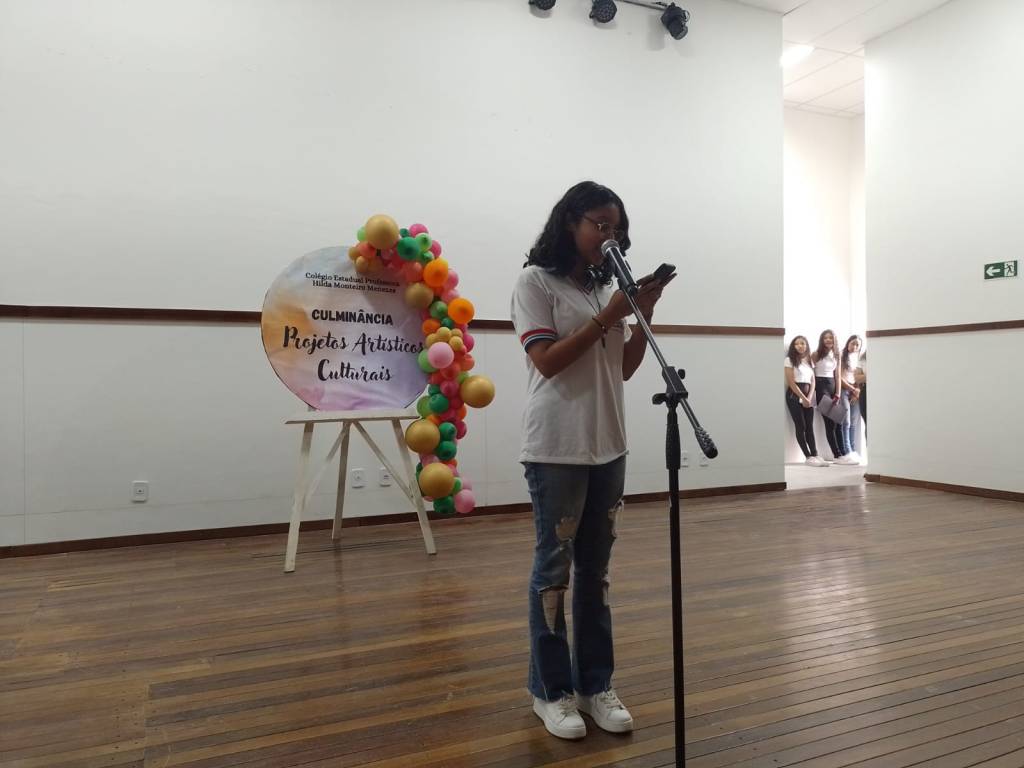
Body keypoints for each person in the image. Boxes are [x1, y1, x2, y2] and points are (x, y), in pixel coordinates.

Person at [510, 181, 670, 740]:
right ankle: (550, 691)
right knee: (553, 572)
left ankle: (595, 684)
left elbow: (621, 369)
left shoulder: (607, 288)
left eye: (616, 228)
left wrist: (640, 313)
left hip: (608, 444)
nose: (610, 236)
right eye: (600, 225)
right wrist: (607, 318)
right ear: (570, 223)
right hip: (556, 446)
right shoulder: (536, 282)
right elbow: (547, 361)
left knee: (595, 575)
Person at [784, 335, 827, 466]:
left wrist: (809, 397)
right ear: (793, 346)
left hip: (808, 396)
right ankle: (808, 457)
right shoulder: (789, 360)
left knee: (809, 426)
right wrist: (803, 397)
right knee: (801, 426)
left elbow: (812, 381)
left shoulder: (809, 361)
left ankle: (815, 454)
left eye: (802, 343)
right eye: (796, 344)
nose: (800, 346)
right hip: (794, 396)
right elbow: (791, 382)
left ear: (806, 345)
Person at [811, 329, 844, 461]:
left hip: (833, 386)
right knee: (829, 422)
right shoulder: (815, 354)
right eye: (825, 338)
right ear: (822, 340)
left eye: (830, 337)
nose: (828, 340)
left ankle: (843, 454)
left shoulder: (837, 355)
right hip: (820, 386)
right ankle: (837, 455)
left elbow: (838, 375)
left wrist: (838, 393)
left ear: (834, 339)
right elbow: (811, 373)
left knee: (838, 421)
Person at [837, 335, 863, 463]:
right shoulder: (841, 355)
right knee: (846, 422)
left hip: (855, 392)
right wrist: (852, 389)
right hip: (844, 390)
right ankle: (847, 452)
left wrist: (856, 391)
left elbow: (860, 377)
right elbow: (839, 377)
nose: (854, 346)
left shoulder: (859, 359)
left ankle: (853, 451)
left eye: (857, 345)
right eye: (853, 343)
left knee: (853, 423)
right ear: (848, 343)